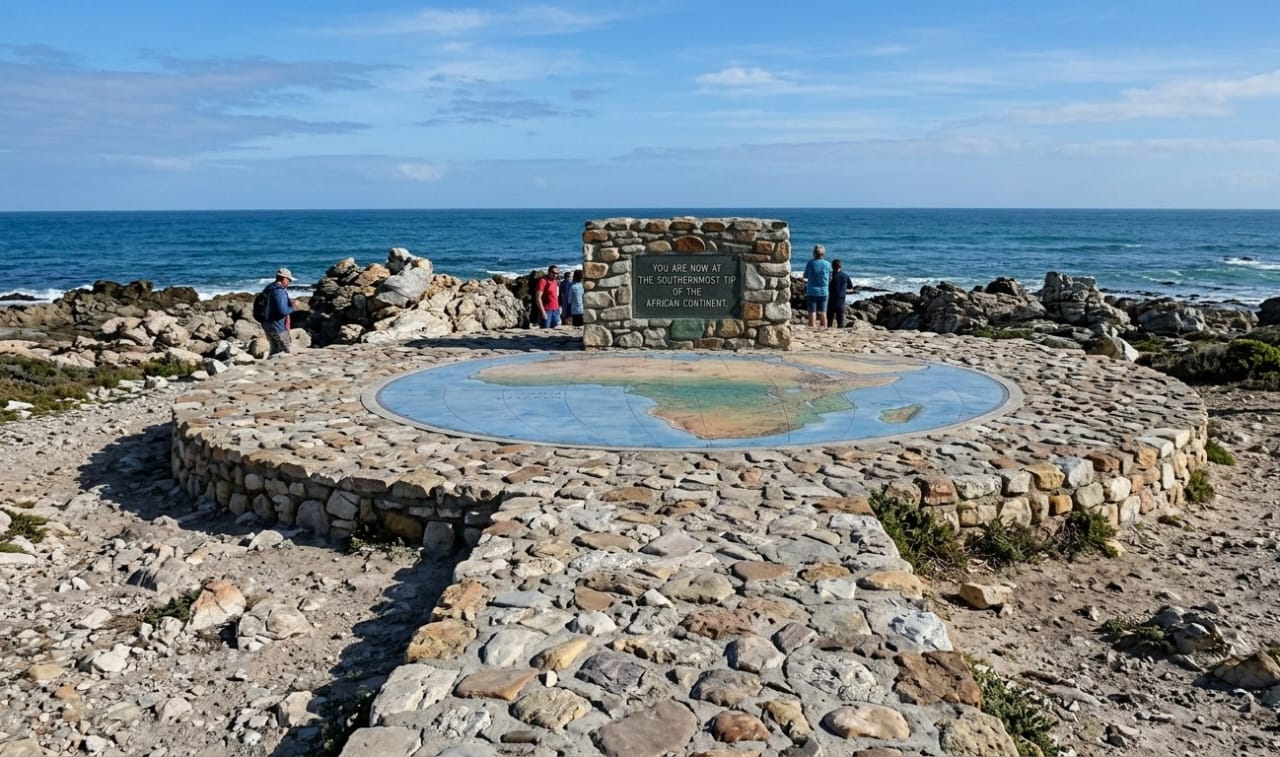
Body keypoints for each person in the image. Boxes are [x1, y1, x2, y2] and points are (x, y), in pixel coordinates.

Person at [262, 268, 296, 357]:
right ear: (284, 278)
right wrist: (292, 307)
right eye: (289, 280)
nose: (289, 282)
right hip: (278, 326)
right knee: (286, 352)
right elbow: (283, 310)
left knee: (274, 350)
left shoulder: (269, 288)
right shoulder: (279, 291)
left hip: (267, 323)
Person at [803, 244, 833, 328]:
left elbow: (805, 275)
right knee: (823, 313)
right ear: (823, 253)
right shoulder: (827, 264)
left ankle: (812, 328)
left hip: (812, 291)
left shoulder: (810, 263)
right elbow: (830, 277)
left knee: (812, 313)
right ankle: (824, 330)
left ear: (814, 253)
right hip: (823, 291)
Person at [827, 259, 853, 328]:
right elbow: (851, 289)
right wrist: (844, 291)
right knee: (840, 322)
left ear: (832, 266)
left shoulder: (830, 275)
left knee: (829, 321)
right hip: (841, 301)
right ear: (841, 266)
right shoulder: (845, 276)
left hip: (831, 301)